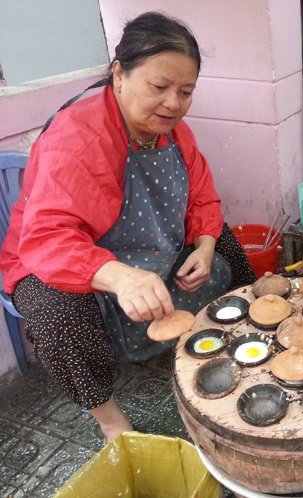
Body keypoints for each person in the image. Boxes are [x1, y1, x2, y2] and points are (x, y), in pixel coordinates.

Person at [0, 12, 255, 442]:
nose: (173, 104)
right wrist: (120, 276)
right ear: (119, 74)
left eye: (185, 92)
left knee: (226, 242)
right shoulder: (78, 137)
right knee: (54, 314)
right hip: (64, 260)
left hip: (149, 247)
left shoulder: (176, 133)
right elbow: (47, 238)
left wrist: (207, 245)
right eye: (159, 87)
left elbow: (203, 198)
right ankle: (109, 418)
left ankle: (242, 340)